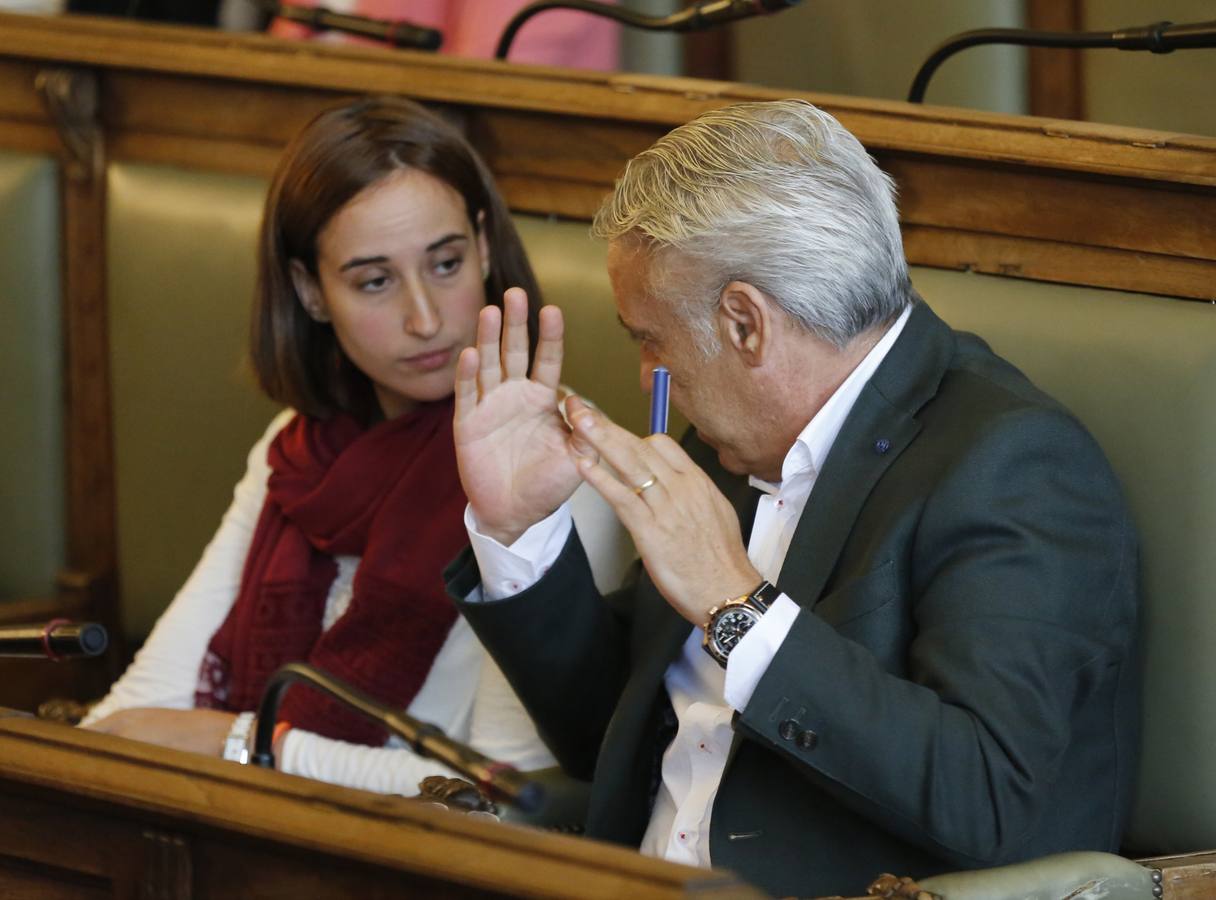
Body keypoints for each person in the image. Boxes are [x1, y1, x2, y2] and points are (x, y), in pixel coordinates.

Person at [444, 99, 1142, 896]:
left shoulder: (1013, 464)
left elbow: (986, 797)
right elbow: (605, 739)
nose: (647, 378)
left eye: (651, 340)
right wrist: (519, 531)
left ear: (745, 323)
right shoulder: (725, 444)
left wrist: (735, 606)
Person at [79, 95, 622, 796]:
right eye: (374, 281)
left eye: (446, 264)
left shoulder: (561, 461)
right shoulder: (298, 450)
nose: (424, 318)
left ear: (485, 246)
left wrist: (246, 745)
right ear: (309, 291)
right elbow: (131, 717)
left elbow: (508, 799)